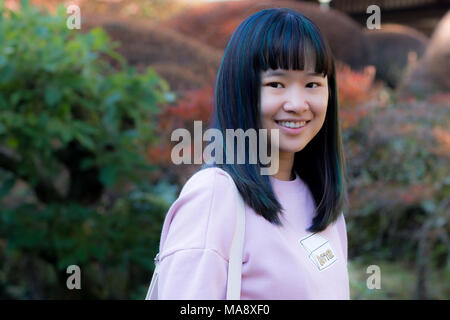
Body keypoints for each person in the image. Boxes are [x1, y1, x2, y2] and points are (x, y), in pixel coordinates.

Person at [151, 7, 350, 300]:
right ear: (240, 91)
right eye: (276, 84)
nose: (297, 103)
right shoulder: (214, 197)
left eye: (312, 84)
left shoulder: (322, 203)